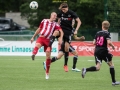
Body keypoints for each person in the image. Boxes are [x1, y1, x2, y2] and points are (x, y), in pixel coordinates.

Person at [81, 20, 120, 86]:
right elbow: (109, 42)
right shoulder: (107, 33)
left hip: (97, 51)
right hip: (103, 51)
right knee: (111, 65)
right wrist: (113, 46)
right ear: (108, 27)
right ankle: (113, 81)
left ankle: (86, 69)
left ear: (102, 26)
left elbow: (93, 43)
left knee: (98, 67)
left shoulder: (98, 33)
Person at [31, 12, 63, 79]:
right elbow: (39, 29)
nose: (55, 17)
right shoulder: (44, 20)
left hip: (48, 40)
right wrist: (33, 37)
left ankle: (47, 73)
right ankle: (33, 54)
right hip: (41, 37)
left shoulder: (55, 24)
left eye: (56, 16)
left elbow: (60, 31)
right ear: (51, 15)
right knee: (37, 45)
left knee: (48, 57)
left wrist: (60, 38)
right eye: (54, 15)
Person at [57, 2, 82, 71]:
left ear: (67, 8)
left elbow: (79, 22)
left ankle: (48, 62)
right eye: (62, 10)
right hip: (62, 32)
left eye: (64, 9)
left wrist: (77, 31)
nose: (63, 11)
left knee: (61, 55)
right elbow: (58, 21)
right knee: (70, 51)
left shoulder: (72, 13)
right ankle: (67, 66)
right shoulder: (60, 13)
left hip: (67, 34)